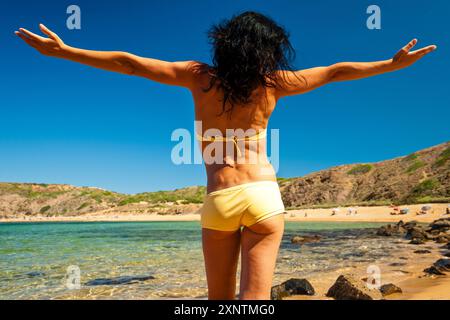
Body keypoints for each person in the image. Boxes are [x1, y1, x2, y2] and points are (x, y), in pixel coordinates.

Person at [15, 11, 436, 300]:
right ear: (268, 50)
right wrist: (390, 64)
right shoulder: (274, 82)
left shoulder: (199, 76)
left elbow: (130, 63)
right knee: (253, 301)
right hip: (263, 196)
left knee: (220, 300)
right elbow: (336, 70)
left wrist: (65, 51)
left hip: (219, 197)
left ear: (226, 42)